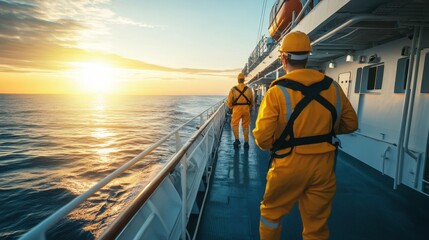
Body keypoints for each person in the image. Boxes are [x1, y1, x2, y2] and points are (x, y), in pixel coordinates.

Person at [253, 31, 358, 240]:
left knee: (270, 215)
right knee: (316, 226)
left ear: (283, 58)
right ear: (307, 57)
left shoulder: (276, 91)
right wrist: (320, 132)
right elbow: (351, 124)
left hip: (288, 165)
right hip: (324, 166)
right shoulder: (333, 87)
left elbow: (262, 139)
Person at [227, 73, 254, 148]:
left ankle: (237, 140)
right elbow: (252, 101)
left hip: (237, 109)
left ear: (238, 80)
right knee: (245, 125)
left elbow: (229, 101)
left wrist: (231, 107)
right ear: (244, 80)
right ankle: (246, 142)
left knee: (235, 124)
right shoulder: (249, 89)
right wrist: (249, 107)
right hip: (246, 109)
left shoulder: (233, 89)